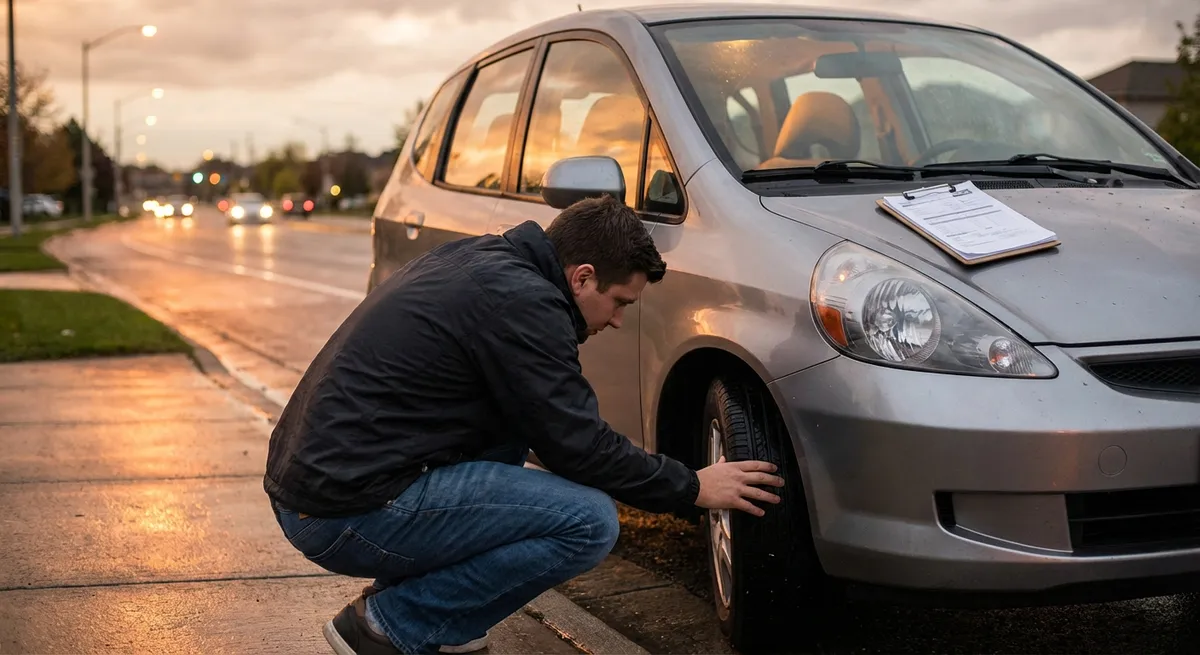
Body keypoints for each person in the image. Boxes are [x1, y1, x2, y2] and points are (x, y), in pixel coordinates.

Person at [264, 194, 786, 655]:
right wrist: (691, 485)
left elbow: (545, 429)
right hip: (343, 514)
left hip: (322, 492)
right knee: (588, 522)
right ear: (582, 276)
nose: (618, 320)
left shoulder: (484, 262)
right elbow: (578, 446)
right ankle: (391, 624)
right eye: (620, 302)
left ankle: (447, 623)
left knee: (512, 444)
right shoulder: (525, 305)